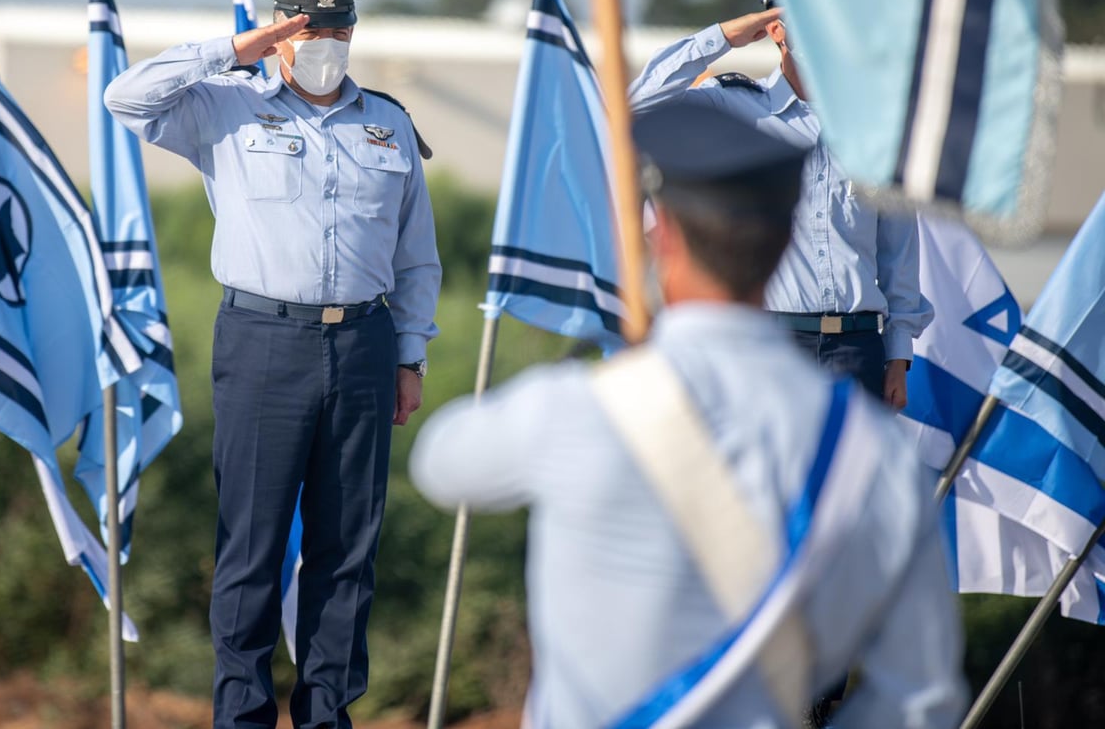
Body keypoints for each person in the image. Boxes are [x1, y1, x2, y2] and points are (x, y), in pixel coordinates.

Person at [409, 99, 965, 728]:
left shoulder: (578, 409)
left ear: (663, 236)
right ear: (787, 241)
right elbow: (923, 699)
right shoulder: (877, 453)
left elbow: (440, 461)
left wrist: (573, 370)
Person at [105, 0, 441, 729]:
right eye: (308, 32)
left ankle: (327, 714)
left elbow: (417, 258)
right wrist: (234, 48)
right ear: (282, 34)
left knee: (347, 549)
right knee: (252, 546)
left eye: (337, 33)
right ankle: (243, 714)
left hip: (364, 343)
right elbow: (125, 97)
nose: (325, 46)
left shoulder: (386, 124)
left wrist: (409, 356)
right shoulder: (225, 108)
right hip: (263, 340)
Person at [628, 0, 933, 411]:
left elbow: (898, 246)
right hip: (775, 342)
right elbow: (634, 107)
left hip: (860, 347)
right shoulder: (736, 108)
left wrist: (899, 353)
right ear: (775, 28)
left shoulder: (875, 131)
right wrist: (724, 36)